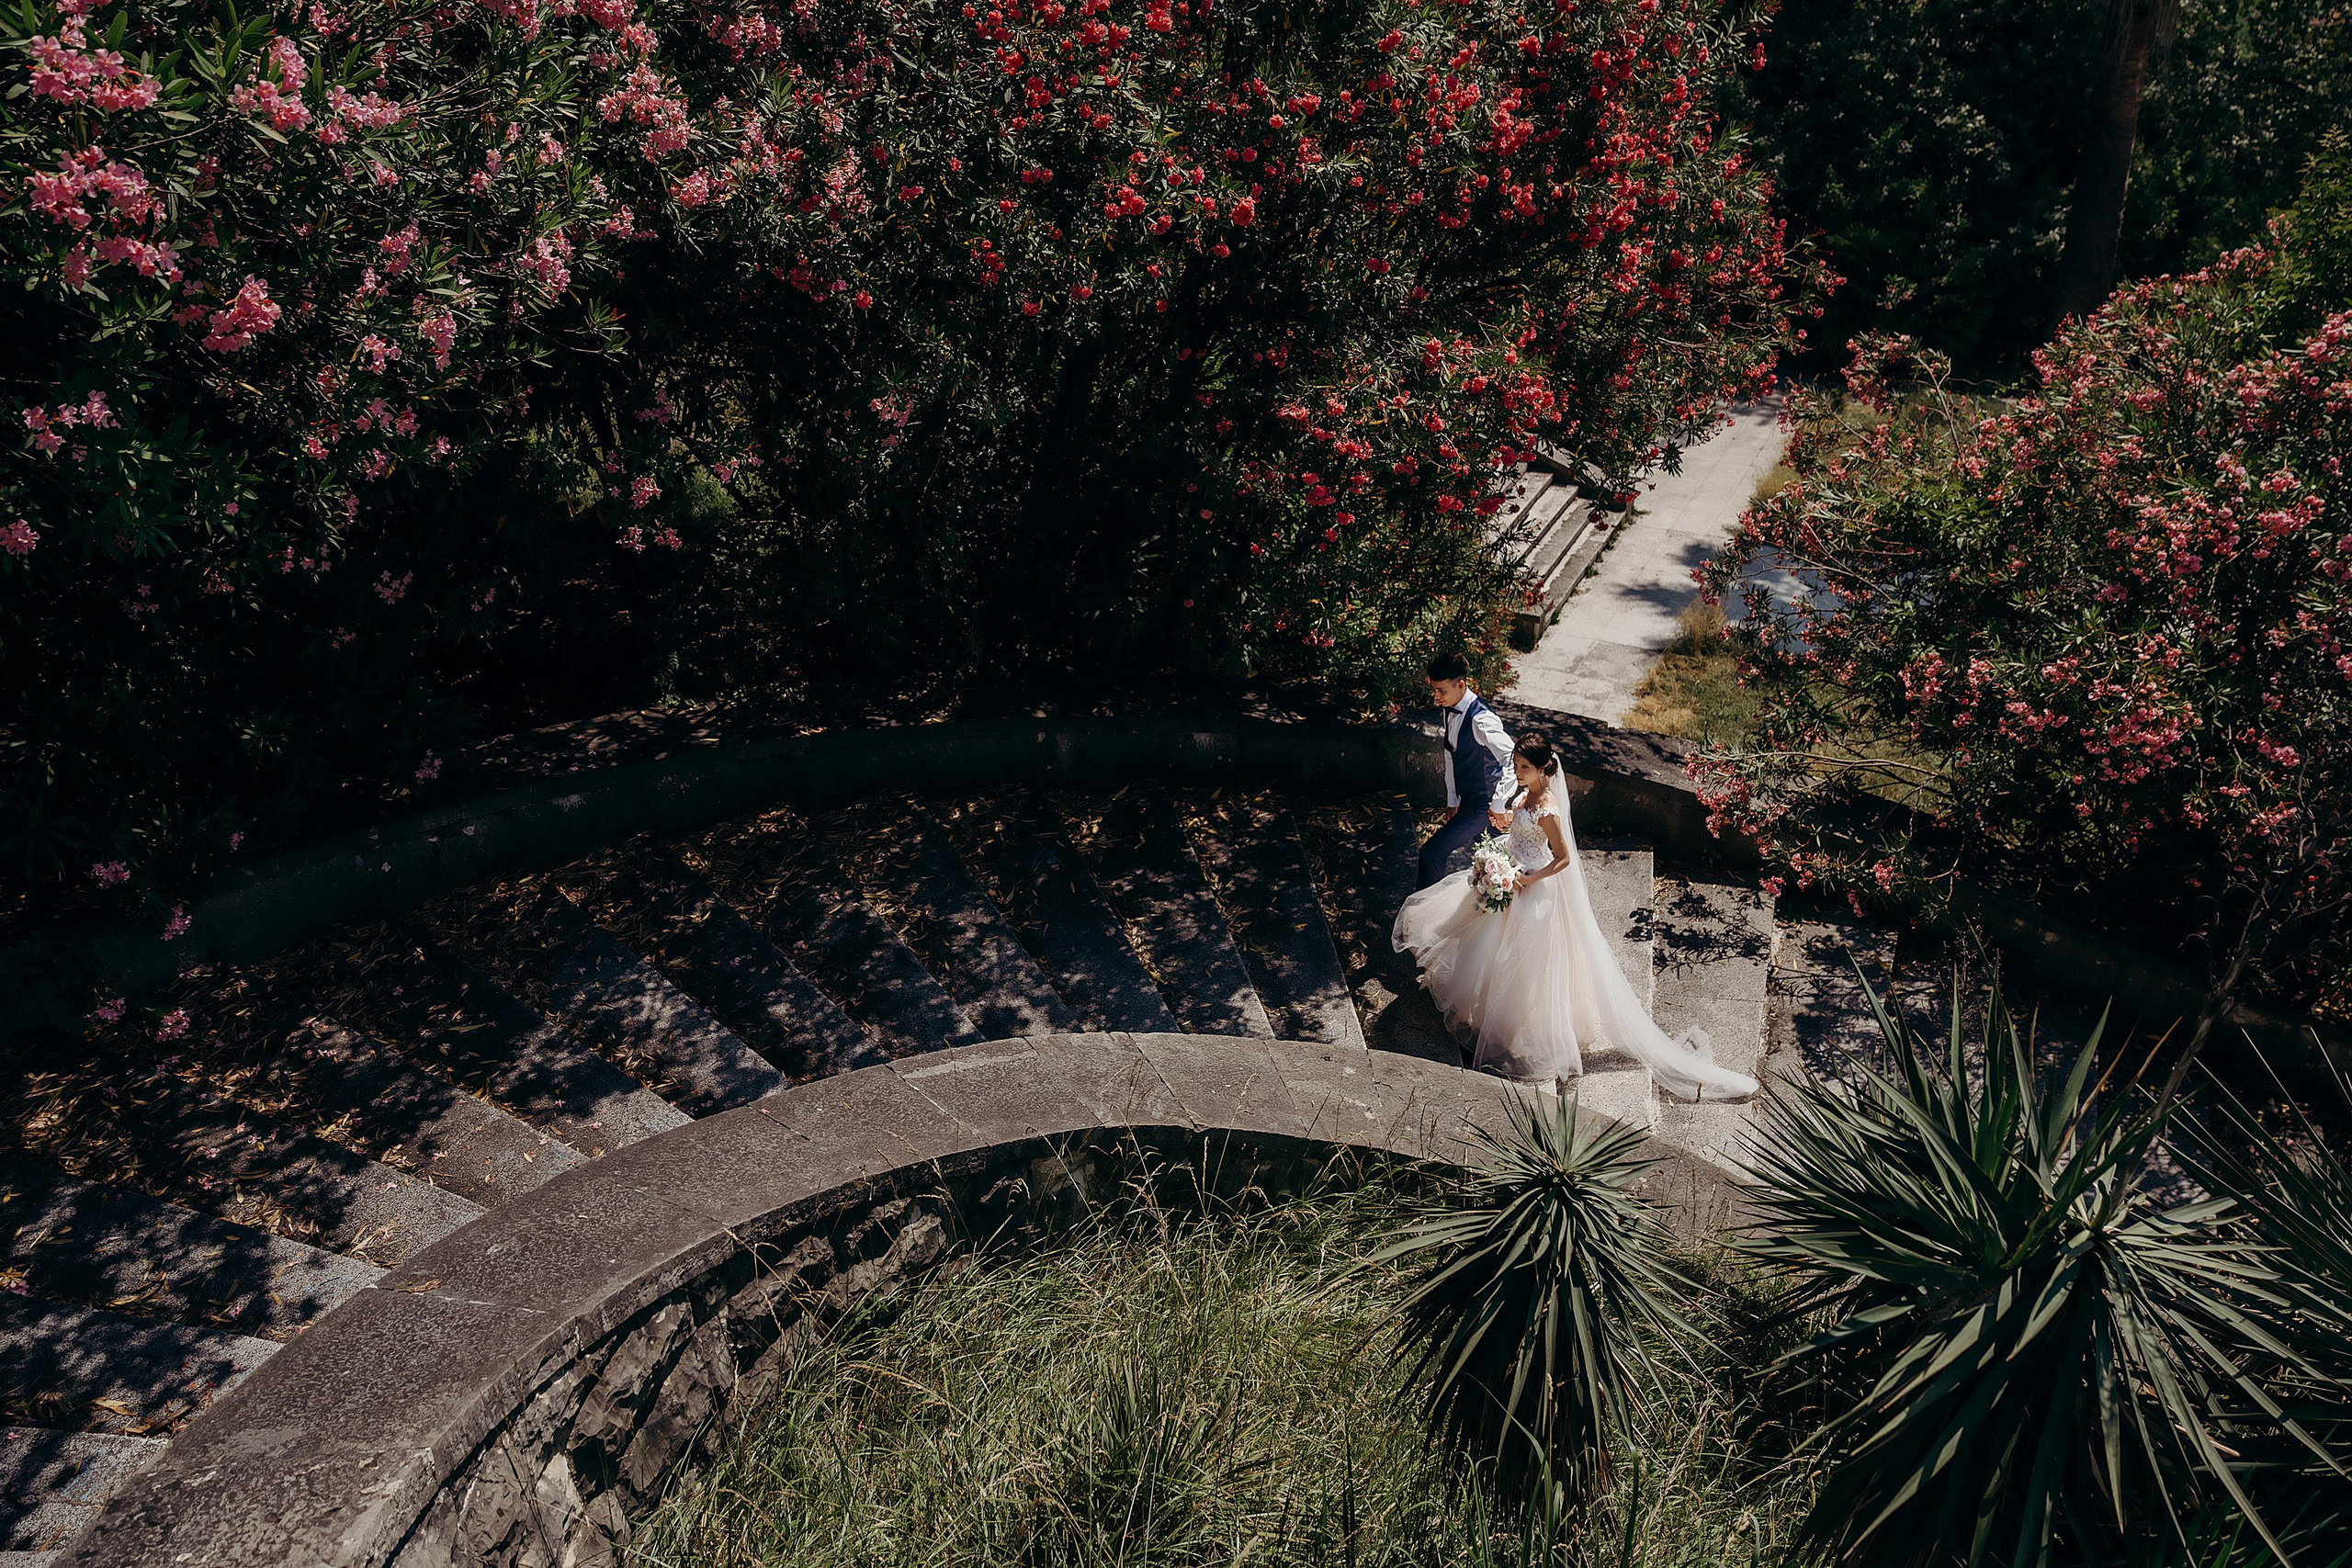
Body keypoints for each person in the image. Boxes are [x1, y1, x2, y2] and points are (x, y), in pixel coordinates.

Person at [1394, 736, 1758, 1102]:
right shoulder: (1526, 793)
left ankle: (1507, 1029)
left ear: (1543, 769)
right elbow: (1523, 834)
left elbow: (1563, 858)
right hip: (1511, 868)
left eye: (1524, 768)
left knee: (1518, 963)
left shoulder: (1549, 808)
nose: (1518, 773)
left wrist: (1525, 879)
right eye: (1517, 766)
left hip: (1529, 887)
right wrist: (1501, 853)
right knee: (1483, 943)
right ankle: (1483, 1007)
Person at [1419, 651, 1516, 889]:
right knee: (1496, 866)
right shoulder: (1450, 707)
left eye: (1440, 691)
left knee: (1431, 853)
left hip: (1482, 806)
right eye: (1434, 690)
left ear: (1460, 685)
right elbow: (1450, 754)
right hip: (1469, 801)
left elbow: (1513, 759)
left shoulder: (1481, 720)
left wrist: (1498, 804)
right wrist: (1453, 799)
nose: (1435, 697)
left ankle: (1423, 916)